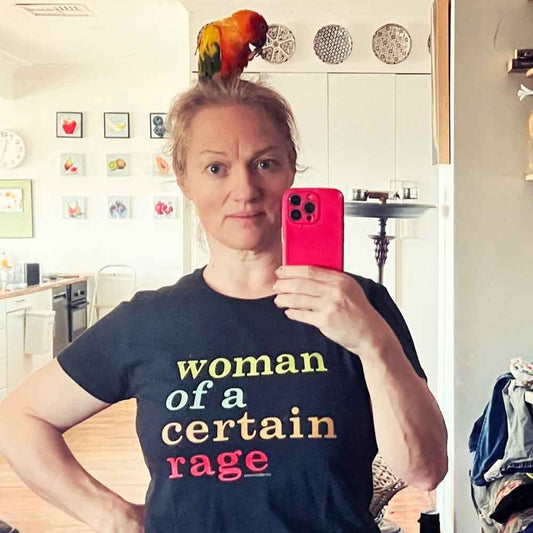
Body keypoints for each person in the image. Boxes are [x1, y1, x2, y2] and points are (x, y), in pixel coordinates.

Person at [0, 76, 448, 533]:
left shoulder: (360, 305)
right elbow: (19, 419)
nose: (245, 189)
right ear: (184, 180)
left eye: (265, 163)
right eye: (216, 168)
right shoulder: (148, 322)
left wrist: (374, 344)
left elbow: (424, 469)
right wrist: (111, 515)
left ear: (291, 170)